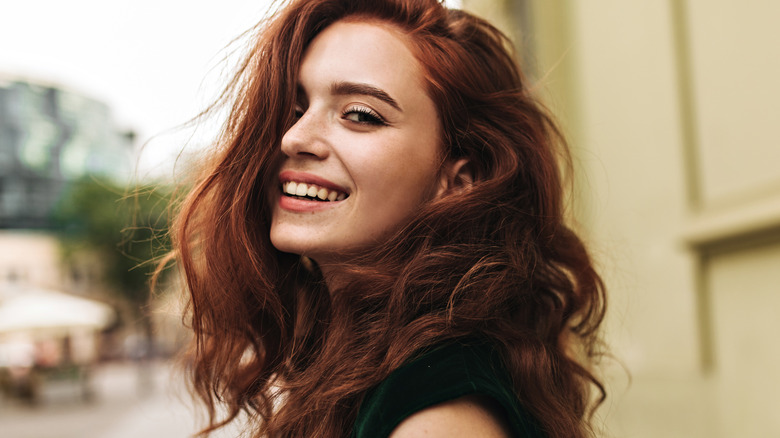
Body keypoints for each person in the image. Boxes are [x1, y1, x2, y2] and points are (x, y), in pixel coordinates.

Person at [166, 0, 606, 437]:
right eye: (294, 110)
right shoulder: (366, 360)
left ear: (459, 181)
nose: (294, 138)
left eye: (360, 115)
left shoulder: (436, 418)